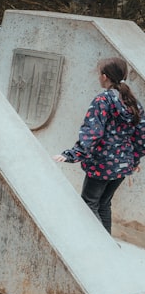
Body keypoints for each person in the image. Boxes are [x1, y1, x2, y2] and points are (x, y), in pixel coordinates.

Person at [52, 57, 145, 233]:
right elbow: (142, 136)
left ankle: (99, 250)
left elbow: (93, 133)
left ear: (104, 77)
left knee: (89, 204)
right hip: (123, 165)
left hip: (102, 164)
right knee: (103, 204)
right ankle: (109, 249)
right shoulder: (133, 102)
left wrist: (72, 154)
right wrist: (134, 160)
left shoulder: (103, 100)